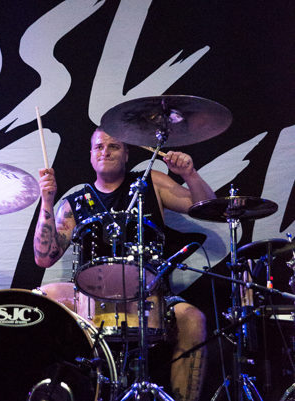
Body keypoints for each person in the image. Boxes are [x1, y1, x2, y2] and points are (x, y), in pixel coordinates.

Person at [33, 127, 214, 401]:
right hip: (91, 299)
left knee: (193, 319)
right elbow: (44, 257)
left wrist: (190, 174)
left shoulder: (150, 183)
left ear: (127, 153)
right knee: (40, 302)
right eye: (99, 147)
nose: (105, 152)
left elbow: (206, 207)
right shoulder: (74, 203)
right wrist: (47, 201)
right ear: (91, 155)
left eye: (114, 146)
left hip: (150, 296)